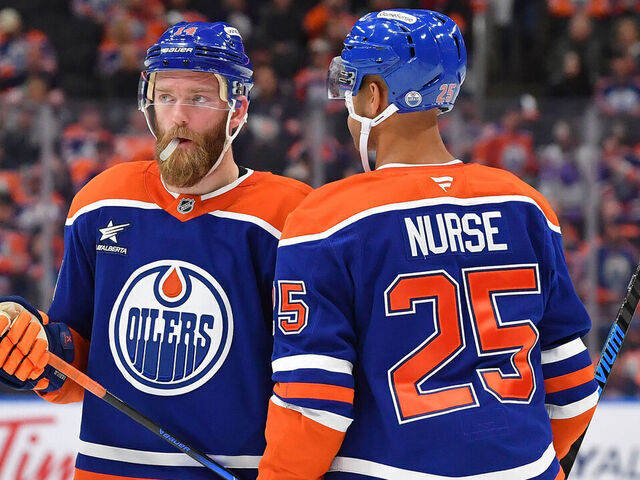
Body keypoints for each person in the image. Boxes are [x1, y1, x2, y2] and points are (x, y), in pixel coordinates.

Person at [258, 10, 598, 480]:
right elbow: (575, 388)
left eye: (353, 84)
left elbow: (314, 408)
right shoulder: (523, 203)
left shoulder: (327, 220)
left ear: (374, 95)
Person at [0, 21, 310, 480]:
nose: (179, 114)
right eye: (166, 97)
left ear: (238, 109)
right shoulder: (103, 201)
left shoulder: (289, 215)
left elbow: (311, 379)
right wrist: (34, 349)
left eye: (199, 98)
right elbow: (79, 359)